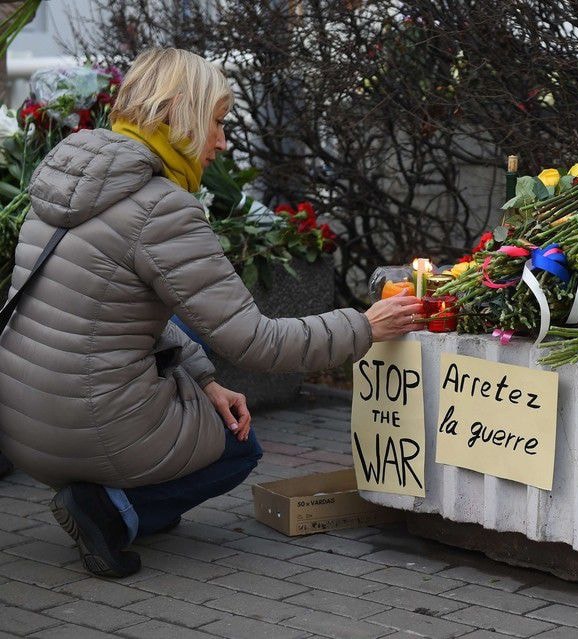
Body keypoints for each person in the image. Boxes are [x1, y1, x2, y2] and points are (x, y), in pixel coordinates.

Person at [0, 48, 422, 578]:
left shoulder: (68, 177)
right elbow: (257, 343)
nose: (222, 142)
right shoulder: (160, 207)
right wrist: (365, 325)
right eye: (218, 123)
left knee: (191, 374)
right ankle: (112, 510)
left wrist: (203, 379)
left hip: (21, 424)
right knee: (237, 447)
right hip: (85, 426)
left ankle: (119, 493)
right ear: (179, 112)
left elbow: (106, 310)